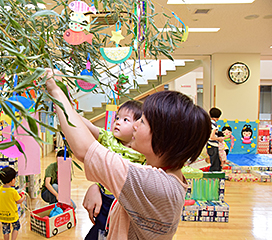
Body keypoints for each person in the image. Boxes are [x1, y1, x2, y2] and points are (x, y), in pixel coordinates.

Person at [44, 68, 211, 239]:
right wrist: (96, 186)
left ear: (163, 138)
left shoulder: (156, 186)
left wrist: (55, 90)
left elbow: (85, 149)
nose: (136, 125)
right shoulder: (164, 175)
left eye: (143, 121)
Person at [81, 100, 145, 240]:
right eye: (117, 118)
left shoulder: (141, 151)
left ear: (137, 126)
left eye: (125, 120)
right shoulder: (109, 139)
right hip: (105, 197)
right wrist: (72, 113)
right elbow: (90, 127)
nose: (118, 122)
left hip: (124, 202)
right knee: (99, 229)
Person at [0, 167, 26, 240]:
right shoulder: (13, 191)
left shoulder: (0, 189)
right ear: (12, 180)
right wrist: (23, 197)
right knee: (16, 226)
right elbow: (18, 201)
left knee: (5, 230)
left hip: (2, 215)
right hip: (12, 215)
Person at [207, 107, 224, 172]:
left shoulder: (208, 122)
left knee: (216, 162)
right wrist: (219, 138)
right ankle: (214, 177)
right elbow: (212, 137)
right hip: (213, 145)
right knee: (215, 164)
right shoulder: (214, 125)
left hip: (209, 145)